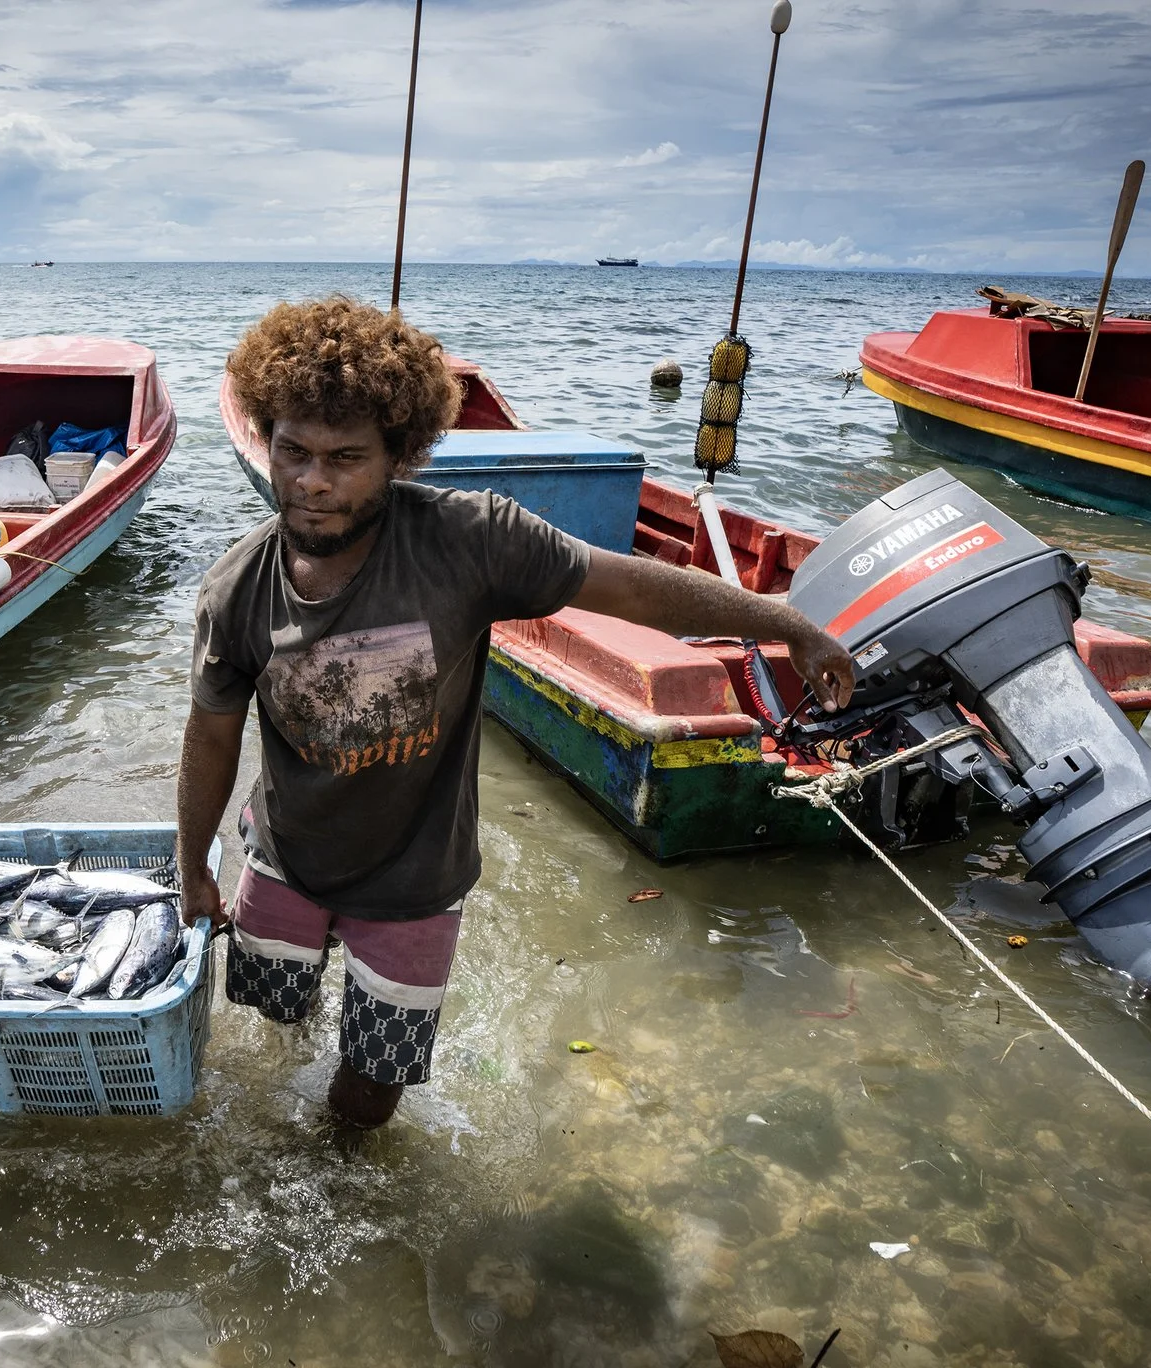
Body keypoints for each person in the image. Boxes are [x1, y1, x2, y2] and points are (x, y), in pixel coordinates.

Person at [176, 297, 855, 1131]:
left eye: (347, 458)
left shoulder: (472, 542)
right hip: (284, 857)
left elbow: (637, 586)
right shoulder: (237, 587)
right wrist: (193, 861)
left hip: (416, 881)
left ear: (398, 458)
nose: (314, 481)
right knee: (273, 1033)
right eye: (295, 452)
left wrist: (790, 623)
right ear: (266, 443)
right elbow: (210, 731)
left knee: (364, 1103)